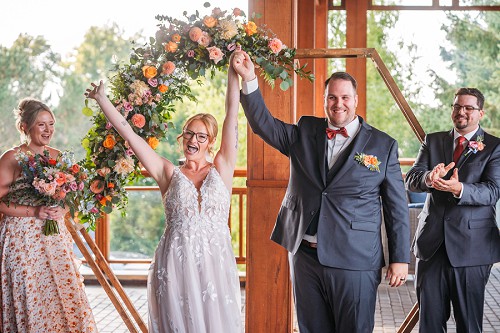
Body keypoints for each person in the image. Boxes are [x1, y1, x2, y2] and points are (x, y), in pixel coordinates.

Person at [231, 51, 410, 332]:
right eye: (332, 97)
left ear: (356, 100)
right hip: (305, 256)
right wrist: (250, 78)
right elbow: (262, 124)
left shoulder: (383, 145)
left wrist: (400, 258)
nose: (339, 104)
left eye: (345, 97)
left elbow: (396, 207)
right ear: (325, 100)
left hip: (356, 260)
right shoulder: (305, 130)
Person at [84, 62, 242, 333]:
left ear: (211, 142)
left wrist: (233, 70)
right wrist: (102, 100)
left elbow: (232, 114)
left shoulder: (223, 167)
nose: (193, 139)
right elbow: (130, 135)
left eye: (201, 136)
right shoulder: (167, 172)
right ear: (183, 137)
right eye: (189, 133)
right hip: (177, 263)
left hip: (216, 263)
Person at [405, 87, 500, 332]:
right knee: (430, 324)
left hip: (473, 249)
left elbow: (492, 191)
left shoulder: (494, 147)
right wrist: (428, 178)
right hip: (432, 246)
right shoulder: (433, 140)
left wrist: (460, 189)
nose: (462, 112)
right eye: (457, 106)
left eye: (469, 108)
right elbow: (412, 178)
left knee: (469, 325)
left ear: (481, 113)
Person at [0, 98, 97, 332]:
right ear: (25, 126)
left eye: (51, 124)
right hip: (21, 239)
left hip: (53, 238)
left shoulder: (58, 156)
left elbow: (69, 197)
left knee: (61, 293)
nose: (48, 130)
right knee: (28, 294)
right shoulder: (11, 158)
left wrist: (62, 208)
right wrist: (35, 211)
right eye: (41, 124)